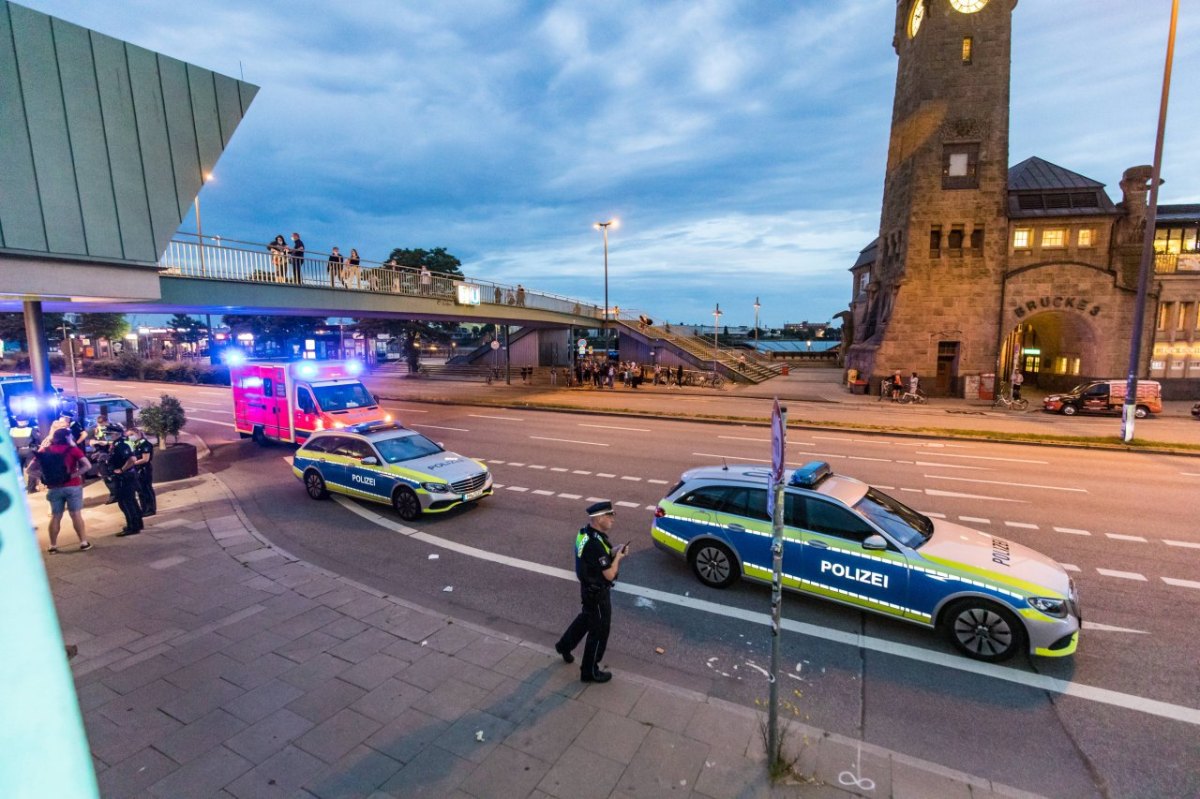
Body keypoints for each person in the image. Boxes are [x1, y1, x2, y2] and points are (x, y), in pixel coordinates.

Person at [554, 500, 628, 683]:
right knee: (599, 631)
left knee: (585, 619)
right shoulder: (595, 543)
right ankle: (590, 671)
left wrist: (613, 551)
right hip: (598, 594)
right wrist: (618, 558)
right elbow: (610, 574)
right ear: (600, 517)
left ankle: (564, 645)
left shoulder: (585, 533)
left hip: (588, 589)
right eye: (610, 516)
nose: (613, 520)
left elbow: (595, 557)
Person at [27, 427, 92, 553]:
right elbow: (87, 465)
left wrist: (44, 478)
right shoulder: (73, 450)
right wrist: (73, 475)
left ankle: (53, 546)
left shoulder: (44, 449)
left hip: (54, 488)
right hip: (72, 486)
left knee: (56, 516)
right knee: (76, 514)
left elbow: (29, 470)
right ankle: (83, 542)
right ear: (68, 437)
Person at [107, 429, 143, 536]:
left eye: (109, 434)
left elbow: (132, 458)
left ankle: (132, 527)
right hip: (126, 476)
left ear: (117, 434)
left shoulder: (121, 444)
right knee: (130, 500)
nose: (107, 436)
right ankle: (137, 524)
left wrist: (122, 469)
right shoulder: (118, 443)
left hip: (125, 477)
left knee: (125, 502)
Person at [129, 427, 156, 517]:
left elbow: (145, 459)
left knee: (146, 489)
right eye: (128, 435)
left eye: (131, 435)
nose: (130, 437)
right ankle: (144, 509)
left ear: (138, 434)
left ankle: (150, 509)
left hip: (144, 469)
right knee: (140, 490)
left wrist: (132, 463)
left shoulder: (145, 444)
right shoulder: (134, 444)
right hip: (136, 470)